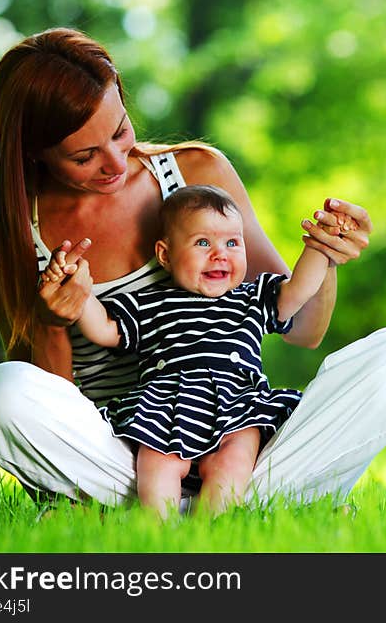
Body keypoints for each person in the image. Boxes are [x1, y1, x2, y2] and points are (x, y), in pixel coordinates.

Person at [0, 26, 386, 513]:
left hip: (237, 439)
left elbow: (302, 328)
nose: (114, 162)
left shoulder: (196, 175)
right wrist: (53, 322)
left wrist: (326, 253)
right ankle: (256, 505)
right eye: (85, 155)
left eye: (120, 131)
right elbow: (46, 406)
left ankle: (203, 505)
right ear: (32, 152)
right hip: (123, 454)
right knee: (4, 391)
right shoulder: (9, 244)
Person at [41, 184, 344, 518]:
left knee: (235, 460)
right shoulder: (151, 302)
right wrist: (79, 289)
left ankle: (212, 525)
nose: (220, 254)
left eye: (232, 242)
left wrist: (321, 247)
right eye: (203, 243)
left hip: (237, 405)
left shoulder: (253, 297)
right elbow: (104, 329)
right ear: (165, 255)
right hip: (166, 406)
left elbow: (299, 289)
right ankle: (158, 527)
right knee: (157, 462)